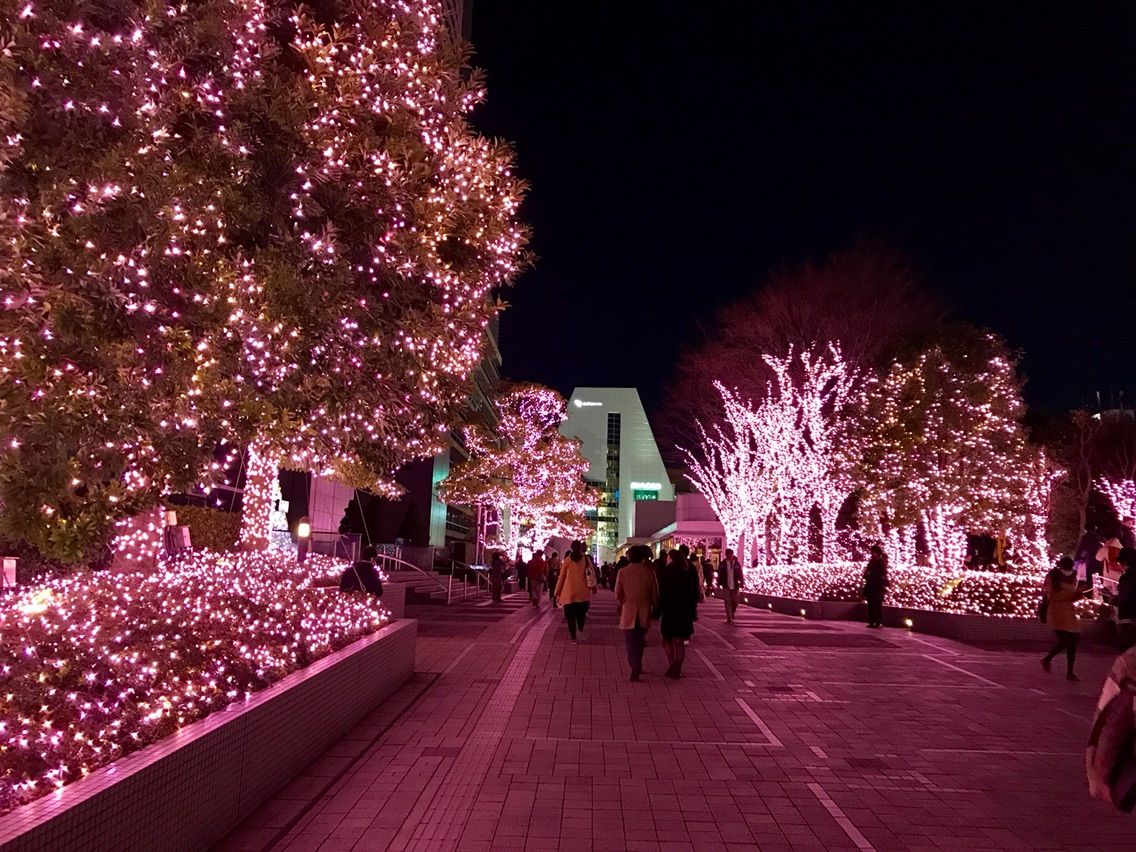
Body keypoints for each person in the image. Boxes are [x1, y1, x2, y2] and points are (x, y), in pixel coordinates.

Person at [1086, 643, 1136, 811]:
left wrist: (1101, 774)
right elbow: (1116, 722)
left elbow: (1115, 724)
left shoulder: (1130, 664)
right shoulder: (1131, 665)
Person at [615, 545, 660, 681]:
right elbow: (655, 593)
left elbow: (618, 593)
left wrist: (622, 603)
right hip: (644, 610)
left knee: (630, 640)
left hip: (628, 609)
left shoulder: (623, 572)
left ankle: (634, 666)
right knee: (640, 640)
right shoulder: (649, 572)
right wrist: (653, 605)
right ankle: (637, 665)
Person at [1041, 556, 1086, 681]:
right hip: (1057, 612)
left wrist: (1078, 595)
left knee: (1073, 640)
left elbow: (1071, 594)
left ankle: (1069, 671)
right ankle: (1048, 660)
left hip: (1069, 612)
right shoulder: (1052, 576)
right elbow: (1053, 596)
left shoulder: (1072, 576)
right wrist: (1072, 594)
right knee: (1066, 640)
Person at [657, 549, 700, 678]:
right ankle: (678, 668)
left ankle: (671, 663)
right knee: (680, 642)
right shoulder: (690, 569)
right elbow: (695, 591)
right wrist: (693, 610)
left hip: (670, 609)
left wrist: (658, 610)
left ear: (671, 557)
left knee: (667, 638)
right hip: (685, 610)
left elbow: (663, 592)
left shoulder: (668, 569)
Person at [555, 540, 595, 643]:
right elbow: (592, 575)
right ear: (581, 547)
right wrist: (594, 588)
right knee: (581, 615)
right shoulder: (586, 559)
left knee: (570, 617)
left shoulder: (567, 560)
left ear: (572, 548)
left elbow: (561, 577)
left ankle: (573, 638)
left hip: (569, 592)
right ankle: (580, 631)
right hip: (583, 592)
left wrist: (557, 592)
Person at [1113, 547, 1136, 651]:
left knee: (1127, 650)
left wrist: (1114, 600)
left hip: (1128, 616)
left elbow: (1123, 597)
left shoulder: (1127, 577)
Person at [863, 544, 888, 628]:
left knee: (877, 604)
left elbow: (881, 574)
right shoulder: (871, 562)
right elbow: (866, 573)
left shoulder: (881, 562)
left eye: (873, 552)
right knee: (871, 604)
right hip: (870, 586)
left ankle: (878, 622)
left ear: (877, 553)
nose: (872, 554)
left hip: (877, 586)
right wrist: (867, 574)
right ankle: (872, 621)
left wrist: (871, 574)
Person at [717, 547, 745, 623]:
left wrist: (742, 582)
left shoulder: (736, 564)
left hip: (735, 586)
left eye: (731, 554)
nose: (730, 556)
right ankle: (729, 617)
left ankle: (732, 612)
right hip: (726, 585)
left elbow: (740, 574)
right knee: (727, 601)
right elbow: (720, 574)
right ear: (726, 555)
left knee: (735, 601)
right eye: (728, 554)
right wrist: (718, 583)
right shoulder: (723, 564)